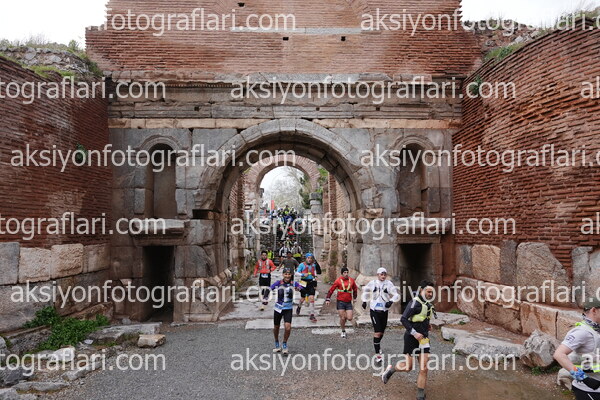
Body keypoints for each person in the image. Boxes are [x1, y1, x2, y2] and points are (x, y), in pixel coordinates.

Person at [382, 281, 436, 400]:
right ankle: (391, 370)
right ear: (421, 290)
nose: (430, 294)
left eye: (432, 292)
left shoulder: (427, 304)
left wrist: (427, 325)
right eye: (428, 291)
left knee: (424, 368)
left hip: (424, 339)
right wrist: (415, 333)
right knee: (408, 367)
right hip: (411, 338)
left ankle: (420, 394)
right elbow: (404, 319)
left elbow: (422, 317)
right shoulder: (414, 302)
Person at [554, 298, 600, 399]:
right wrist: (584, 378)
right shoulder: (582, 332)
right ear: (594, 310)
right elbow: (559, 354)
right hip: (589, 390)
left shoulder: (597, 329)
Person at [361, 267, 400, 365]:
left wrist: (391, 301)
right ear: (377, 275)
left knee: (381, 333)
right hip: (374, 311)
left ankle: (377, 345)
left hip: (384, 311)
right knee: (377, 332)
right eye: (381, 274)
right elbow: (366, 291)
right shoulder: (372, 283)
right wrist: (364, 301)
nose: (383, 276)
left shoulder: (389, 284)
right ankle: (378, 355)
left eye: (384, 274)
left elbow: (396, 294)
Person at [264, 267, 302, 355]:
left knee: (288, 327)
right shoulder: (279, 283)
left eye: (289, 274)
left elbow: (301, 288)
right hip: (278, 308)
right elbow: (269, 289)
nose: (287, 276)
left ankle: (284, 343)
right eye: (286, 274)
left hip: (288, 309)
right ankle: (276, 342)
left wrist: (299, 288)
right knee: (276, 327)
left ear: (291, 275)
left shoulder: (293, 283)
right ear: (283, 274)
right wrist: (265, 298)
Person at [325, 267, 358, 338]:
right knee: (342, 318)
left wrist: (355, 297)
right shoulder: (338, 281)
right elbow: (331, 290)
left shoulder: (351, 280)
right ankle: (343, 331)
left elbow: (355, 289)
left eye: (347, 272)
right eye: (344, 273)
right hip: (340, 302)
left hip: (348, 302)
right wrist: (328, 299)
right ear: (342, 273)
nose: (346, 274)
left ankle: (343, 320)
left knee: (349, 318)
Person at [296, 253, 319, 322]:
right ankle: (299, 306)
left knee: (311, 298)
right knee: (302, 298)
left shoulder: (313, 265)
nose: (310, 259)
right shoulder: (302, 265)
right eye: (308, 258)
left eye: (311, 258)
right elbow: (296, 273)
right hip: (303, 282)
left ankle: (312, 314)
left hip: (311, 282)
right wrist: (303, 274)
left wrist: (315, 278)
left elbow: (315, 273)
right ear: (306, 258)